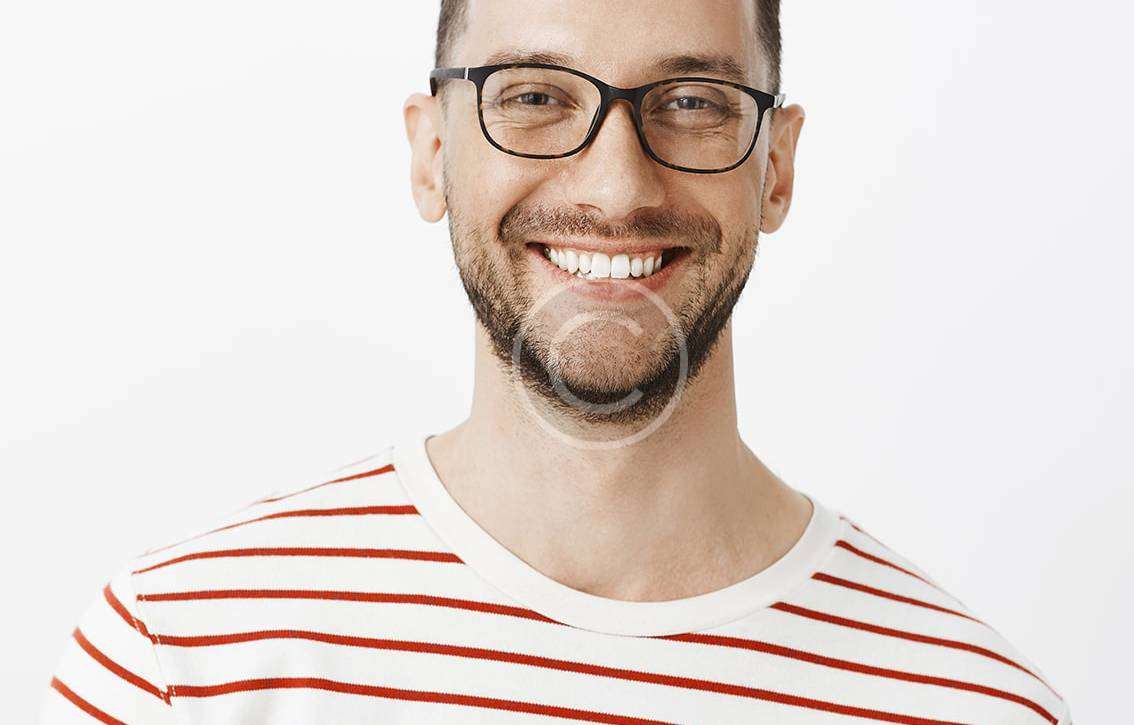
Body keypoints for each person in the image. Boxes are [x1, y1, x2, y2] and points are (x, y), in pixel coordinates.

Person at [41, 1, 1071, 722]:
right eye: (534, 95)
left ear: (778, 167)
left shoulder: (975, 704)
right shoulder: (182, 657)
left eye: (693, 101)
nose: (616, 189)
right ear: (431, 152)